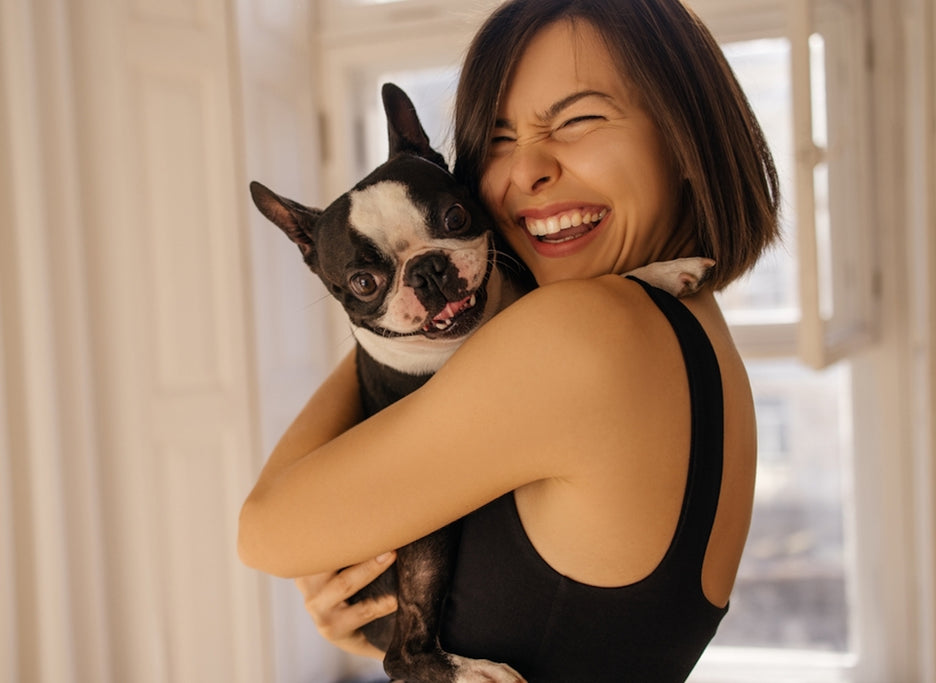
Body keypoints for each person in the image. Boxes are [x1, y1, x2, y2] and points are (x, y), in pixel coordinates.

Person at [238, 0, 780, 679]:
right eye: (496, 138)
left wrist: (394, 309)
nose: (527, 170)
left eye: (579, 119)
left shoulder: (584, 334)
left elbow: (262, 530)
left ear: (685, 137)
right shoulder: (683, 323)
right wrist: (385, 628)